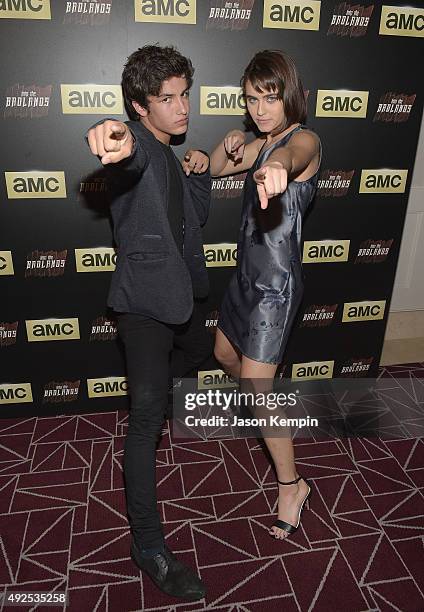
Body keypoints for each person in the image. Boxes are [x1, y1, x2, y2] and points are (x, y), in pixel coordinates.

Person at [86, 45, 212, 600]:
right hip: (142, 307)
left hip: (184, 302)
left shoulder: (174, 155)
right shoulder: (138, 147)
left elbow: (196, 219)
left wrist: (202, 172)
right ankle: (149, 548)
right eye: (168, 99)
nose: (183, 107)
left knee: (197, 363)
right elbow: (125, 150)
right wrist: (111, 135)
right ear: (140, 107)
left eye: (185, 94)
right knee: (145, 422)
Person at [210, 50, 321, 540]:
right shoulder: (258, 140)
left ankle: (291, 484)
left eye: (270, 98)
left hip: (276, 286)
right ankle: (265, 407)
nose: (260, 108)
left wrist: (272, 168)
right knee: (222, 354)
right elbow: (213, 169)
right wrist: (231, 144)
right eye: (252, 99)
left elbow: (287, 159)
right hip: (244, 278)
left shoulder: (303, 141)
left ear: (288, 95)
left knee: (256, 386)